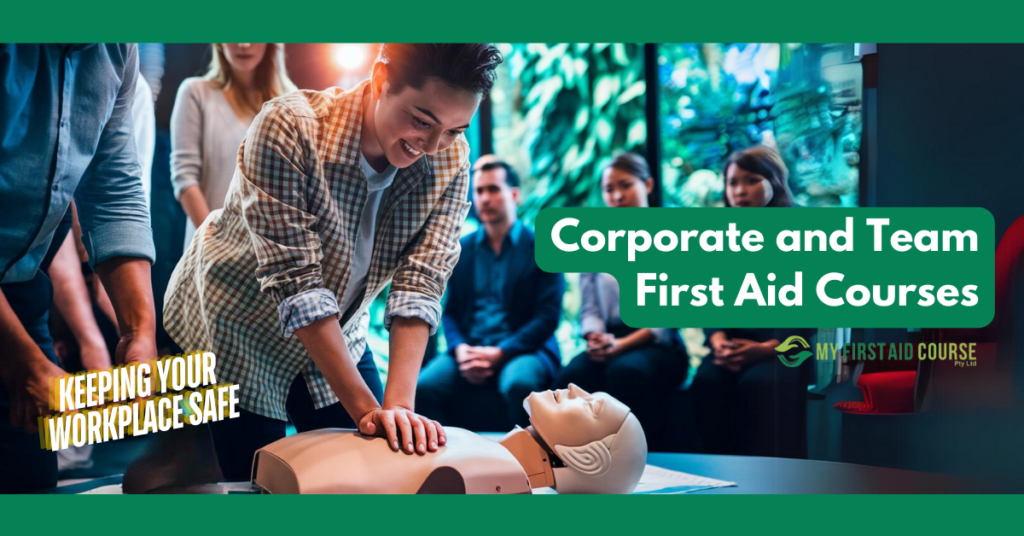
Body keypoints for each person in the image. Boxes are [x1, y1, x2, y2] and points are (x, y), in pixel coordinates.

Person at [163, 44, 504, 480]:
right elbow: (298, 284)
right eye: (422, 121)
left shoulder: (452, 160)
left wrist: (397, 408)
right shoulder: (289, 126)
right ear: (381, 80)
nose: (434, 145)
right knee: (258, 480)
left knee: (373, 472)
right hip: (238, 323)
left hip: (341, 323)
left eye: (455, 130)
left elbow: (422, 281)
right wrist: (367, 411)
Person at [0, 44, 157, 493]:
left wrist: (139, 333)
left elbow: (112, 185)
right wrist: (23, 363)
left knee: (27, 481)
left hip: (22, 292)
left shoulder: (119, 49)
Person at [416, 160, 564, 430]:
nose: (484, 198)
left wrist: (501, 352)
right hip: (470, 347)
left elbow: (548, 317)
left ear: (515, 195)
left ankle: (528, 465)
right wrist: (460, 350)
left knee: (520, 385)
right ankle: (449, 462)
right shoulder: (463, 249)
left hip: (524, 350)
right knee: (424, 386)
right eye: (480, 190)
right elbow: (450, 313)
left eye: (493, 189)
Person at [555, 153, 689, 450]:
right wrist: (596, 338)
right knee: (570, 376)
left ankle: (635, 459)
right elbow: (589, 308)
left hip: (657, 345)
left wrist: (619, 347)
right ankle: (581, 462)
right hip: (611, 339)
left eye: (625, 185)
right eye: (608, 189)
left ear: (648, 184)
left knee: (625, 372)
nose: (616, 196)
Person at [689, 145, 815, 458]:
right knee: (706, 382)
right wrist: (718, 339)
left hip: (784, 345)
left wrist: (763, 349)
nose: (740, 191)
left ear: (774, 181)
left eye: (751, 180)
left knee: (758, 385)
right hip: (735, 343)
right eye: (733, 182)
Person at [171, 43, 295, 247]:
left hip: (271, 255)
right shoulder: (196, 92)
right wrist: (218, 243)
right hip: (210, 253)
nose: (243, 44)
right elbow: (185, 180)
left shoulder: (291, 102)